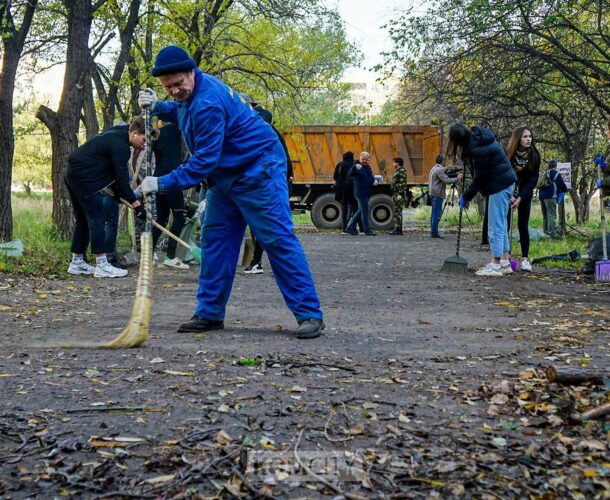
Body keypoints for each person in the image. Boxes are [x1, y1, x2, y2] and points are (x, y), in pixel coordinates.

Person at [137, 45, 324, 339]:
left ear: (191, 72)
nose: (174, 91)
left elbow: (202, 163)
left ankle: (309, 314)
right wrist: (158, 106)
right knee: (216, 243)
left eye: (178, 84)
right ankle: (209, 314)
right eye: (167, 87)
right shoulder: (193, 92)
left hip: (257, 170)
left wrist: (161, 183)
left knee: (276, 239)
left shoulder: (208, 102)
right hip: (226, 175)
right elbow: (181, 108)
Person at [65, 119, 146, 278]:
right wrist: (137, 205)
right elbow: (122, 179)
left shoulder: (116, 137)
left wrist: (117, 195)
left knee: (83, 220)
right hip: (83, 178)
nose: (143, 144)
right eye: (143, 139)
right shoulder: (121, 145)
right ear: (135, 133)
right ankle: (102, 264)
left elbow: (115, 178)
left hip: (72, 174)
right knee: (97, 219)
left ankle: (77, 262)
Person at [448, 124, 517, 277]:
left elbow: (480, 178)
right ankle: (505, 262)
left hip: (499, 186)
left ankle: (495, 265)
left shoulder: (479, 149)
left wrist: (465, 196)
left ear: (458, 140)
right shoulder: (479, 139)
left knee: (495, 226)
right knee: (502, 223)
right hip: (505, 183)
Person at [243, 99, 294, 275]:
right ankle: (264, 262)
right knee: (272, 226)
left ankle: (258, 262)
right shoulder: (272, 131)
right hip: (276, 184)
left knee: (264, 226)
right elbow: (285, 157)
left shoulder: (258, 129)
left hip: (266, 185)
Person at [152, 121, 190, 269]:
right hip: (171, 178)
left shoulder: (157, 136)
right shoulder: (176, 129)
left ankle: (149, 254)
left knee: (161, 218)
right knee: (180, 215)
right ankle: (171, 256)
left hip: (158, 179)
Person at [506, 126, 540, 272]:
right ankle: (505, 257)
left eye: (530, 136)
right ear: (518, 138)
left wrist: (520, 197)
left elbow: (533, 180)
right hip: (508, 193)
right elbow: (504, 174)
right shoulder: (509, 154)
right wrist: (510, 195)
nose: (528, 139)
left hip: (525, 194)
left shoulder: (534, 155)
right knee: (505, 226)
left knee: (523, 225)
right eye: (525, 136)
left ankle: (525, 259)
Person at [427, 154, 463, 238]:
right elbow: (446, 180)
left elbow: (443, 175)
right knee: (437, 214)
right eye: (444, 160)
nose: (445, 162)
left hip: (433, 193)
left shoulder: (434, 168)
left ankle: (433, 231)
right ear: (442, 161)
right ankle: (434, 233)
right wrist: (457, 178)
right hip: (437, 194)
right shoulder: (439, 170)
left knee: (434, 213)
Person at [345, 151, 376, 236]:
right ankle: (367, 230)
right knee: (365, 211)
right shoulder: (357, 166)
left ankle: (350, 227)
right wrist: (354, 167)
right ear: (360, 158)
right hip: (361, 193)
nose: (365, 161)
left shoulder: (367, 167)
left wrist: (374, 181)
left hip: (367, 192)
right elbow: (350, 174)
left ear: (368, 159)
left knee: (360, 210)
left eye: (366, 159)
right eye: (363, 159)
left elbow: (370, 177)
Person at [538, 159, 568, 239]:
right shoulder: (556, 174)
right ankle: (552, 234)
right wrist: (565, 190)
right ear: (555, 166)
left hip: (541, 196)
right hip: (550, 196)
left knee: (545, 215)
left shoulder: (544, 172)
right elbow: (562, 185)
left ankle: (545, 232)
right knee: (551, 215)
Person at [333, 151, 362, 234]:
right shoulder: (355, 164)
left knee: (344, 209)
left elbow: (335, 177)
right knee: (356, 209)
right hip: (354, 189)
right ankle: (360, 228)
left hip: (343, 190)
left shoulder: (340, 164)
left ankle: (344, 228)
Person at [389, 157, 409, 235]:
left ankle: (398, 230)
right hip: (397, 193)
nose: (393, 164)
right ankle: (398, 229)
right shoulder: (399, 171)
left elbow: (402, 184)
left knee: (397, 212)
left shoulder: (401, 172)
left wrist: (399, 194)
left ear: (397, 163)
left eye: (394, 162)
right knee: (397, 212)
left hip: (398, 194)